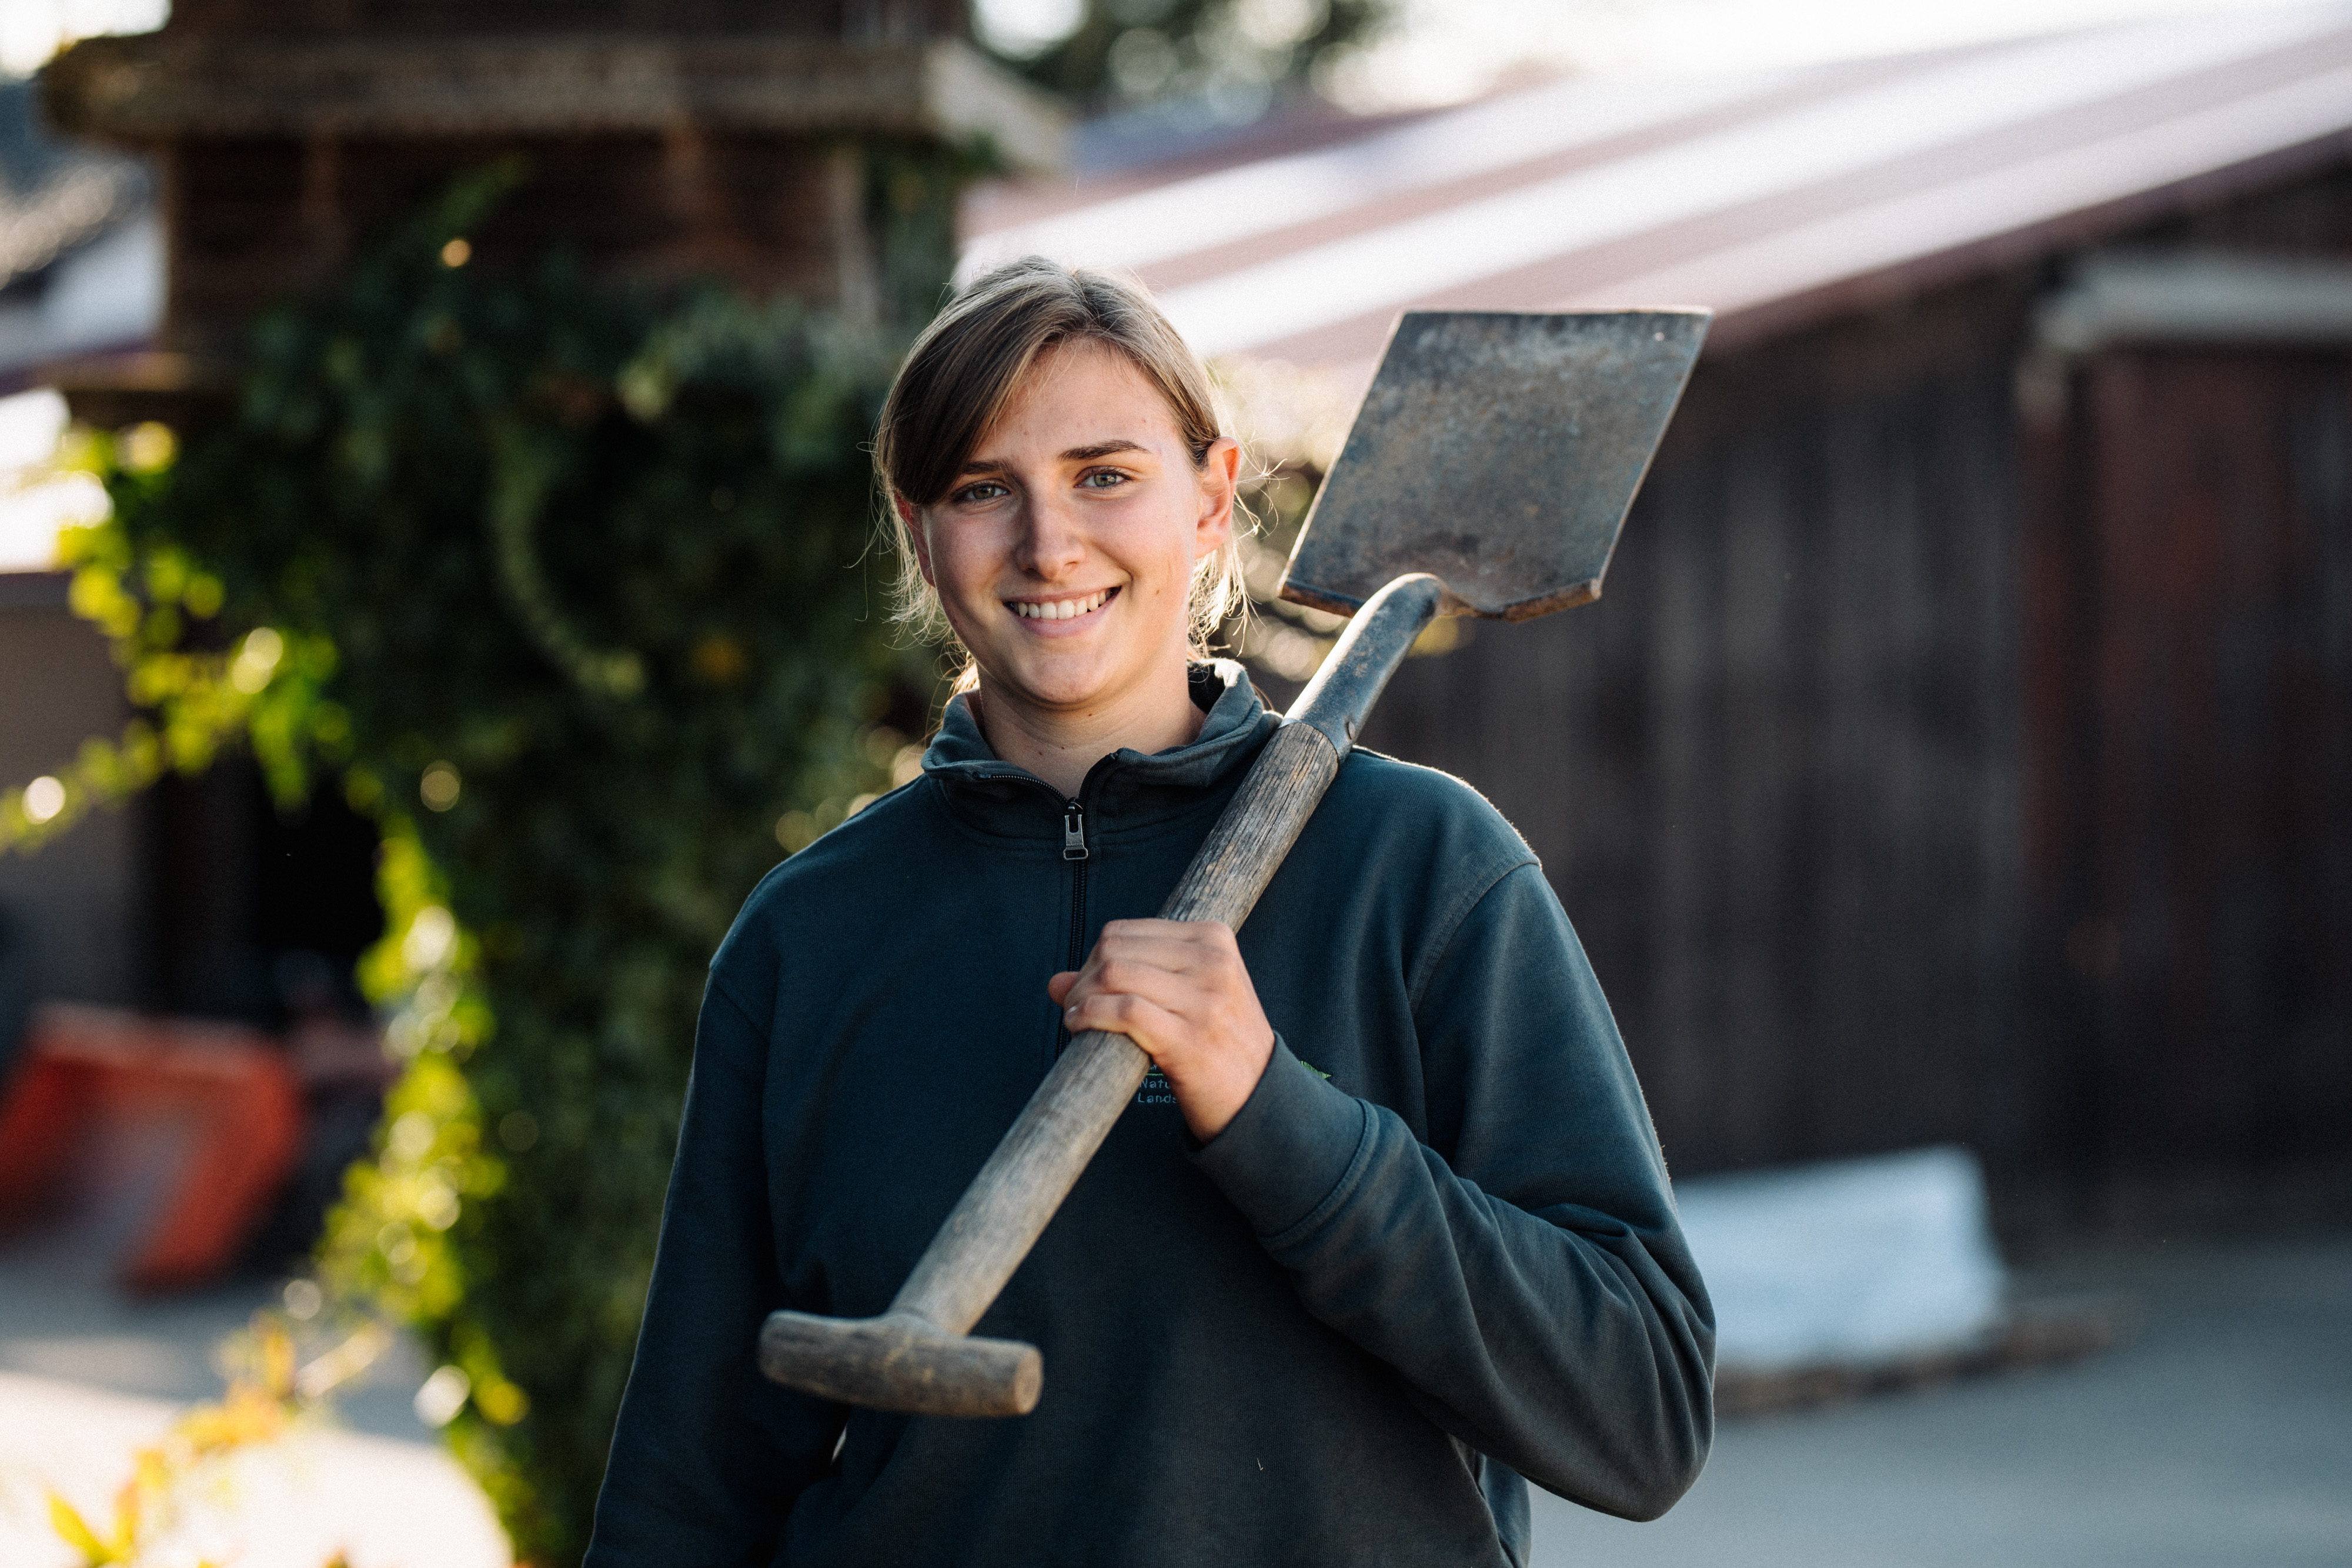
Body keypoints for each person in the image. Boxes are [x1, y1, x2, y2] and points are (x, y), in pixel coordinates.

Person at [583, 258, 1713, 1568]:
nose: (1048, 543)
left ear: (1210, 499)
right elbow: (685, 1490)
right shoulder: (810, 937)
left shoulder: (1420, 870)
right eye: (980, 489)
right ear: (917, 527)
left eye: (1104, 474)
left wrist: (1278, 1110)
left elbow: (1638, 1413)